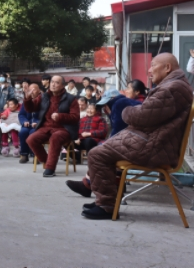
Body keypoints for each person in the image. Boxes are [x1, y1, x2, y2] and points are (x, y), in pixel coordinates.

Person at [82, 53, 193, 220]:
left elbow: (142, 116)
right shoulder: (175, 85)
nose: (150, 70)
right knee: (103, 149)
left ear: (167, 68)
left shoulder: (172, 88)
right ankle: (104, 200)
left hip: (153, 147)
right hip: (154, 142)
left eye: (153, 65)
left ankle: (106, 206)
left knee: (97, 154)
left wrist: (125, 111)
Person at [24, 75, 80, 177]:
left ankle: (50, 168)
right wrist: (27, 99)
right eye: (52, 82)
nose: (53, 84)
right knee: (30, 139)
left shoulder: (71, 99)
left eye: (57, 83)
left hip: (64, 128)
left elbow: (75, 117)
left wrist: (60, 116)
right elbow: (31, 109)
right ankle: (47, 161)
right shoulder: (44, 96)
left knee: (55, 138)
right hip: (46, 127)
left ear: (62, 85)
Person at [17, 91, 40, 163]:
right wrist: (24, 121)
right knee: (23, 132)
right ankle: (24, 154)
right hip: (27, 125)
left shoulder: (42, 102)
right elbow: (21, 114)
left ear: (38, 92)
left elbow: (45, 115)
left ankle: (36, 155)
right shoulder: (25, 102)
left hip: (38, 126)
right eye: (31, 91)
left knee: (33, 133)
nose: (32, 92)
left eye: (34, 90)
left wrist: (37, 122)